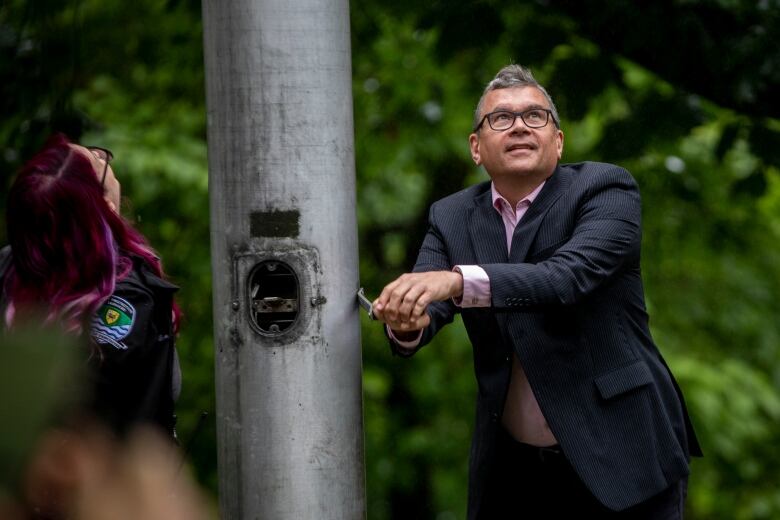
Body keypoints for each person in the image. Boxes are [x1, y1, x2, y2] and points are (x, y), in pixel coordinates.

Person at [372, 64, 702, 519]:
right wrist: (407, 321)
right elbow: (427, 309)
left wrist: (455, 280)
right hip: (515, 472)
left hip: (623, 454)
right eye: (501, 118)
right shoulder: (450, 216)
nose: (521, 126)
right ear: (476, 147)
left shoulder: (605, 190)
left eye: (536, 116)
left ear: (559, 141)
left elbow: (565, 278)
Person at [0, 133, 181, 439]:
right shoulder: (127, 300)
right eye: (96, 160)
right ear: (107, 208)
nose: (101, 156)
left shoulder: (8, 271)